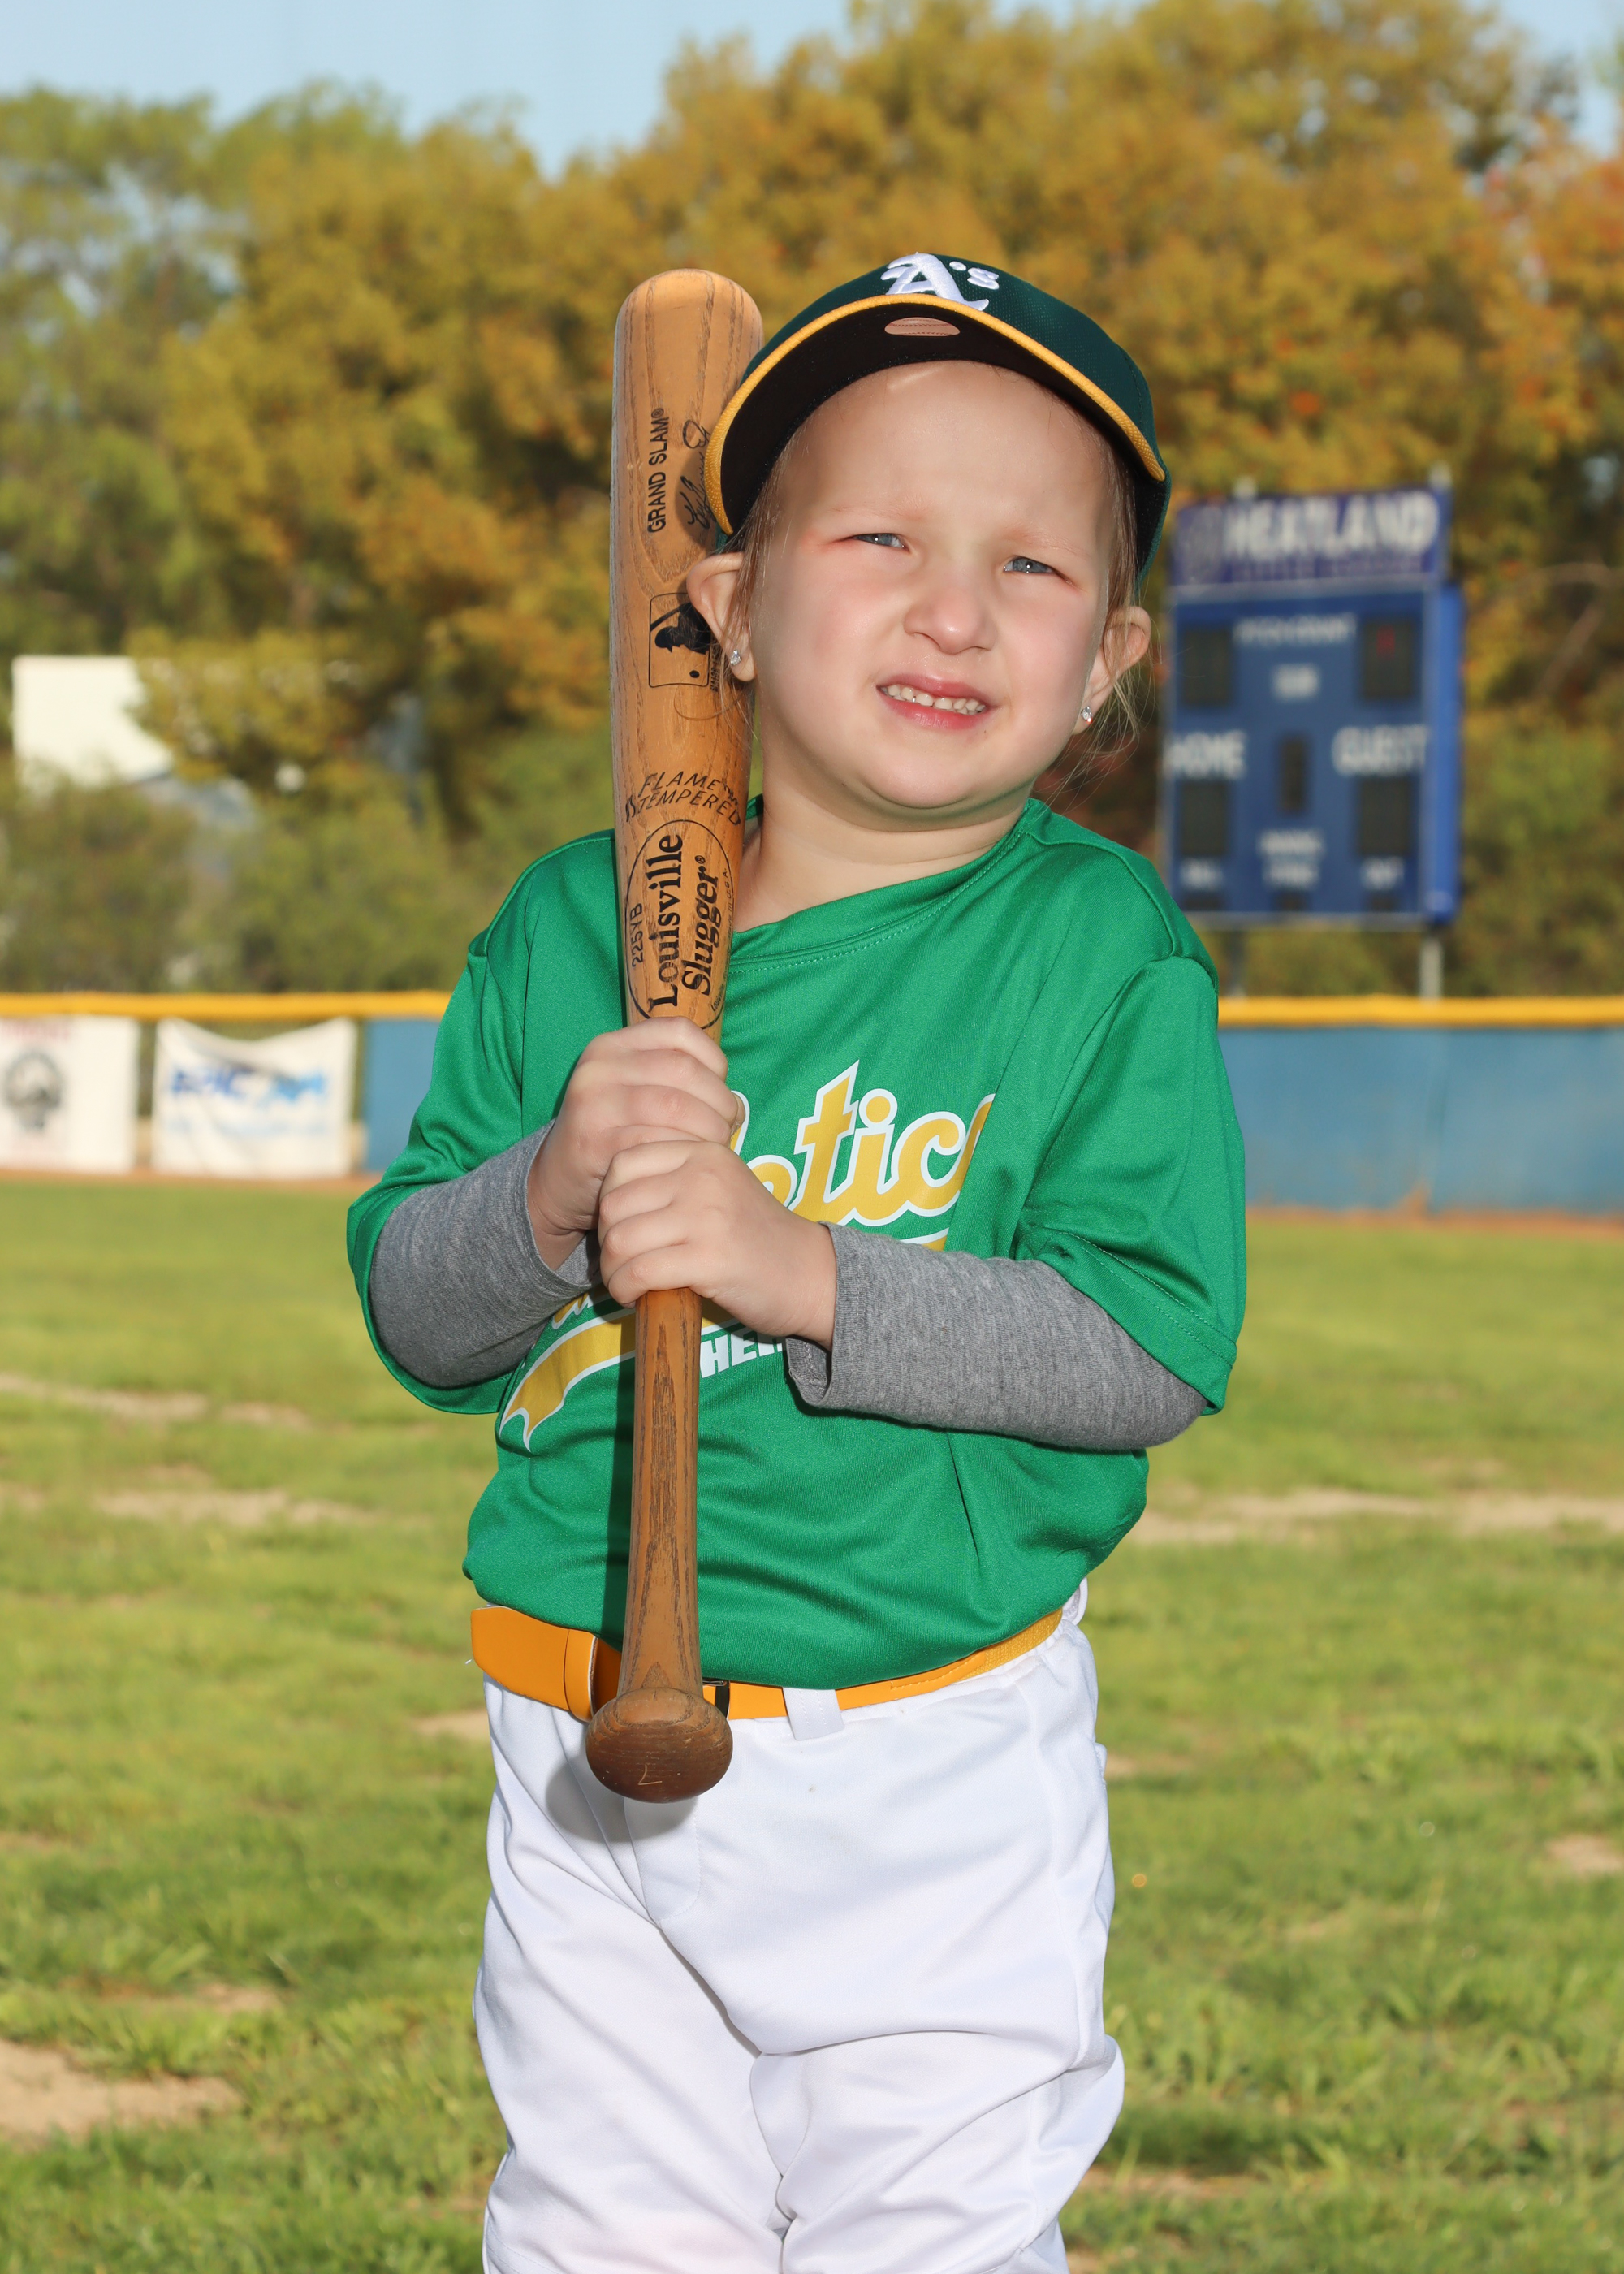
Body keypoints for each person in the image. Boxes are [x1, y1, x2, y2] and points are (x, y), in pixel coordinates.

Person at [348, 252, 1246, 2274]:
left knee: (927, 2238)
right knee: (601, 2234)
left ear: (1105, 659)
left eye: (1029, 566)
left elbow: (1144, 1347)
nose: (954, 607)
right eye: (881, 538)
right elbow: (416, 1313)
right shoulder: (571, 926)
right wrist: (549, 1192)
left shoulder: (1097, 950)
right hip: (577, 1734)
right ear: (732, 607)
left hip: (921, 1754)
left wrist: (801, 1267)